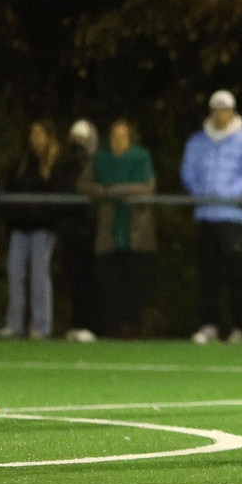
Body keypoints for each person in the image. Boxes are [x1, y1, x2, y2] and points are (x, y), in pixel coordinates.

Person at [181, 90, 242, 345]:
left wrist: (230, 193)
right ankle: (208, 325)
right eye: (216, 109)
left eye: (225, 109)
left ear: (233, 111)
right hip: (205, 215)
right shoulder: (198, 141)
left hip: (234, 217)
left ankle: (241, 327)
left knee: (237, 275)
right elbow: (188, 172)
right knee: (207, 275)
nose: (220, 114)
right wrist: (201, 193)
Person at [80, 119, 156, 338]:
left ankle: (132, 327)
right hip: (108, 230)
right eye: (115, 136)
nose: (118, 140)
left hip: (136, 231)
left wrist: (111, 191)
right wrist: (101, 191)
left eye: (123, 136)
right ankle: (111, 327)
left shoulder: (141, 157)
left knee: (134, 282)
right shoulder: (100, 159)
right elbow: (83, 184)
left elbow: (147, 187)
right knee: (108, 281)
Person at [0, 119, 61, 339]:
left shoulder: (54, 163)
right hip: (20, 228)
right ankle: (14, 324)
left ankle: (41, 326)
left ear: (48, 136)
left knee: (39, 277)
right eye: (32, 133)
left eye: (39, 133)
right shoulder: (22, 162)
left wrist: (48, 219)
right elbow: (10, 188)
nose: (34, 137)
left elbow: (55, 194)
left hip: (42, 229)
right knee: (15, 274)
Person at [53, 119, 100, 343]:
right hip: (70, 229)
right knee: (71, 279)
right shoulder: (65, 164)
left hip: (90, 230)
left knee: (88, 278)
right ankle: (76, 323)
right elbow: (60, 188)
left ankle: (88, 324)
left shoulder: (96, 163)